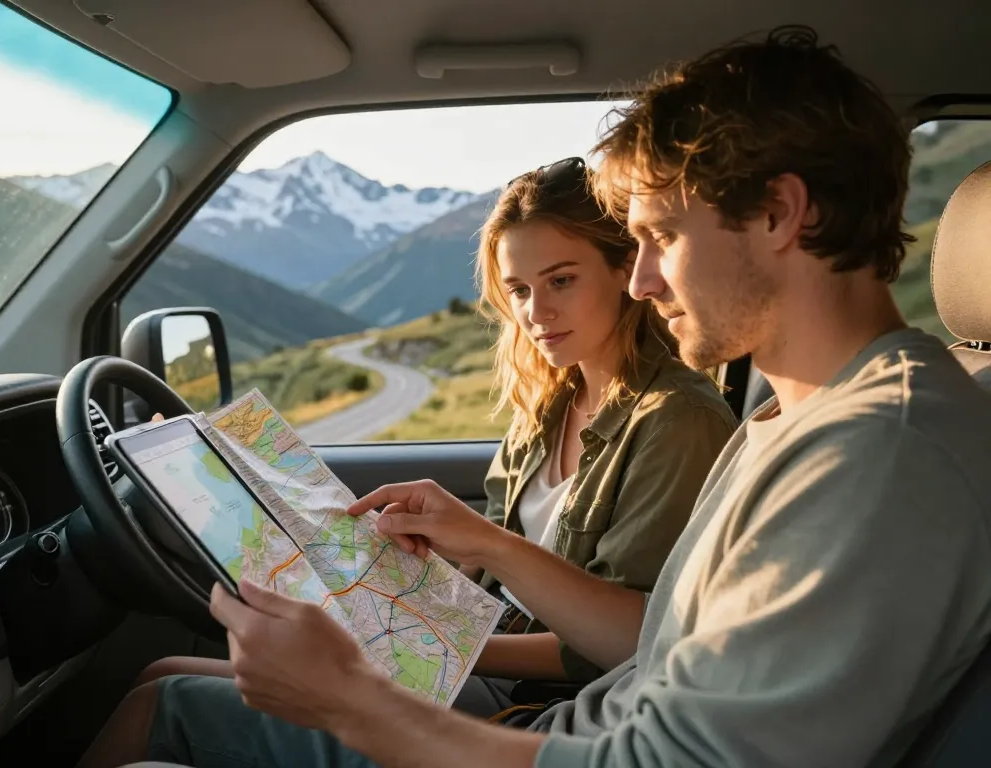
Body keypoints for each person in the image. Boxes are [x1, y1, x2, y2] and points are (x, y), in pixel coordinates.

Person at [80, 25, 991, 768]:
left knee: (160, 734)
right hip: (567, 734)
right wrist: (479, 541)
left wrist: (352, 699)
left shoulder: (880, 451)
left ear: (781, 213)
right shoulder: (798, 416)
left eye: (662, 236)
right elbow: (654, 646)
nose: (640, 283)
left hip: (564, 743)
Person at [117, 159, 736, 702]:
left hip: (543, 703)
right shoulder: (553, 400)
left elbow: (629, 641)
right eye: (518, 290)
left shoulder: (676, 420)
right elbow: (494, 577)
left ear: (625, 269)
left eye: (562, 280)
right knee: (158, 672)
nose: (536, 313)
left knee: (163, 695)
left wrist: (407, 647)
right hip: (479, 654)